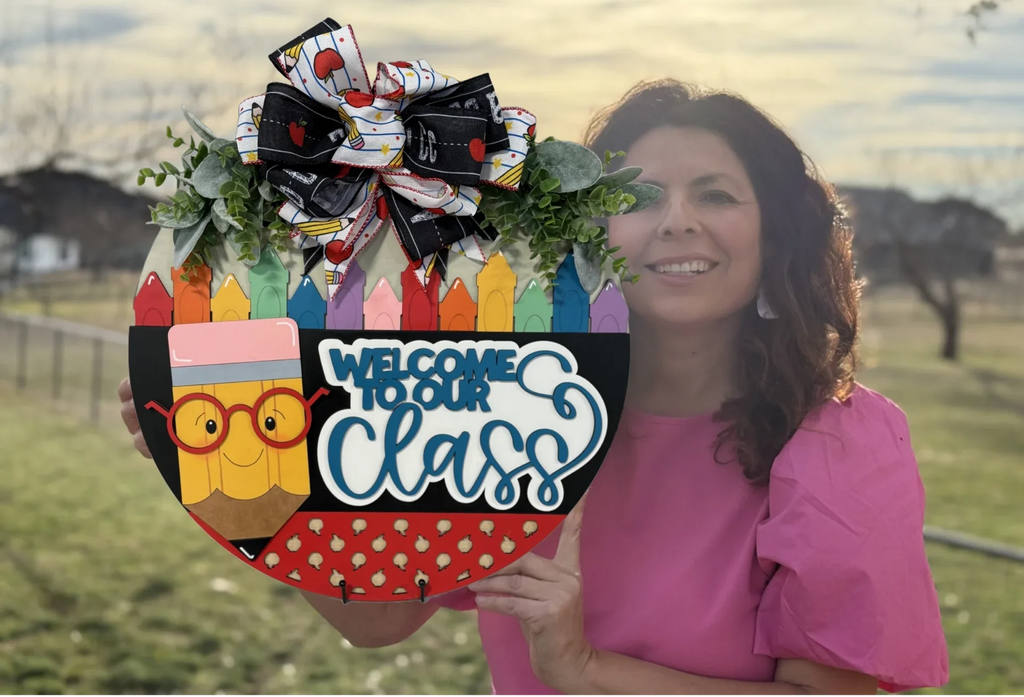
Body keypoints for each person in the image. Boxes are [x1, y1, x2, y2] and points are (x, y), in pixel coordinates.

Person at [119, 79, 949, 696]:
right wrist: (241, 482)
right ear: (592, 232)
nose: (677, 221)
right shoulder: (503, 403)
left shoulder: (841, 442)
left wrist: (587, 670)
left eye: (718, 194)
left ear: (777, 236)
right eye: (642, 196)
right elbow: (375, 617)